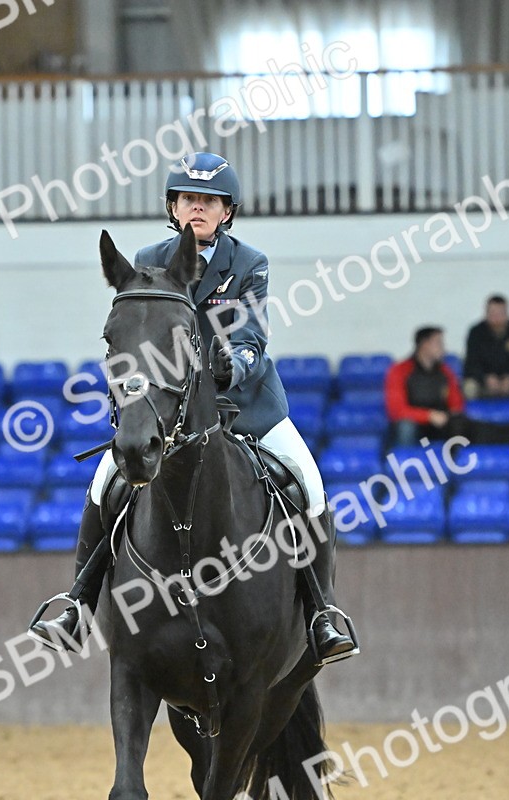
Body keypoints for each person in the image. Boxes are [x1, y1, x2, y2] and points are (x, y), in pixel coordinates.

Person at [29, 152, 357, 666]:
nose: (197, 209)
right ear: (173, 206)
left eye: (209, 201)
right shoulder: (147, 259)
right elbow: (137, 336)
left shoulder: (249, 263)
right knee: (102, 486)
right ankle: (77, 603)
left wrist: (230, 365)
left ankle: (322, 612)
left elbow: (252, 337)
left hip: (246, 405)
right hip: (165, 413)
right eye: (188, 200)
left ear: (227, 212)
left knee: (308, 483)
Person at [385, 326, 465, 447]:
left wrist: (451, 416)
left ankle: (457, 463)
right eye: (438, 343)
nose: (443, 348)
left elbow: (456, 405)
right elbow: (397, 410)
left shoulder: (446, 372)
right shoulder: (399, 371)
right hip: (415, 426)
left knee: (459, 424)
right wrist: (429, 416)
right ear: (424, 345)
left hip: (440, 425)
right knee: (406, 427)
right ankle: (406, 462)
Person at [462, 294, 509, 402]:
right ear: (486, 314)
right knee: (468, 388)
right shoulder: (475, 332)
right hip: (485, 384)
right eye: (492, 313)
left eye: (500, 313)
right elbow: (470, 363)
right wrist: (485, 378)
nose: (496, 318)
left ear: (507, 314)